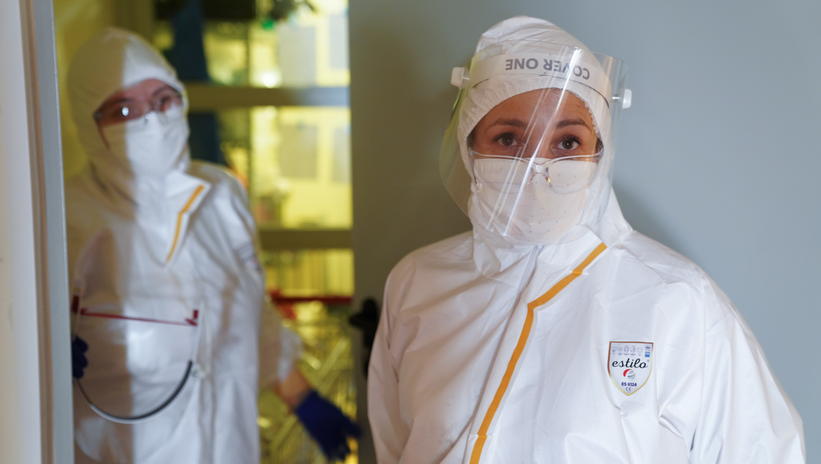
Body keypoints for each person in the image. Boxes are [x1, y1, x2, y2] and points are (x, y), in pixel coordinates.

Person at [367, 16, 805, 463]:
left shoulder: (676, 297)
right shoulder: (418, 282)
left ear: (599, 151)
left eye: (567, 143)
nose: (536, 166)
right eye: (508, 138)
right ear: (468, 144)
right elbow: (394, 442)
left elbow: (761, 451)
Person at [66, 28, 358, 463]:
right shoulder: (68, 219)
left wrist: (303, 398)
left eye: (163, 100)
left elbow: (254, 313)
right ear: (90, 126)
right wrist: (42, 360)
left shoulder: (220, 194)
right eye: (123, 110)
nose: (152, 120)